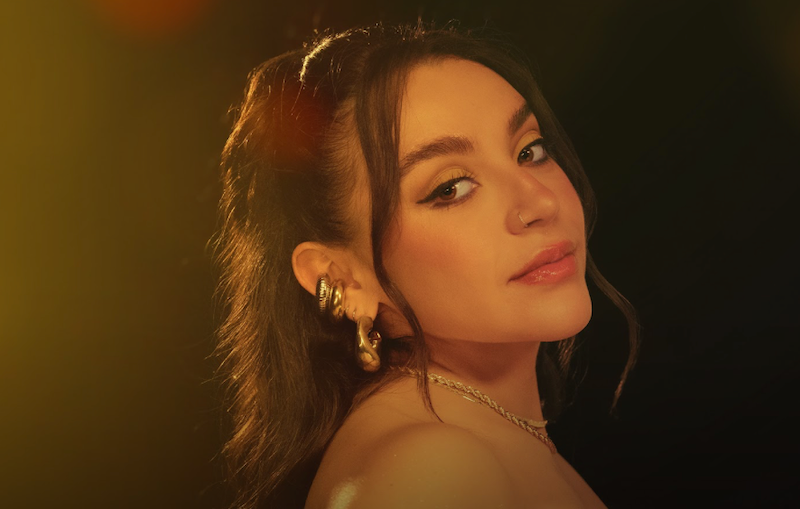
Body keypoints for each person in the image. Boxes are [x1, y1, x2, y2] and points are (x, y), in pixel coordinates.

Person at [215, 22, 638, 509]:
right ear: (341, 279)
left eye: (530, 151)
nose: (540, 202)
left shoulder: (476, 438)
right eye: (451, 188)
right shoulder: (432, 468)